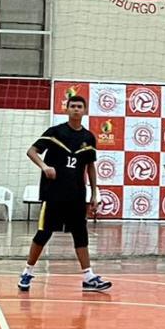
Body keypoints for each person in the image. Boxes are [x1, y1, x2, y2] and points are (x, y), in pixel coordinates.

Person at [18, 94, 111, 293]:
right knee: (44, 233)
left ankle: (88, 276)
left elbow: (90, 167)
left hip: (77, 194)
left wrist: (95, 193)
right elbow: (31, 151)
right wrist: (44, 166)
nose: (76, 109)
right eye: (72, 106)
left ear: (85, 111)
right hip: (53, 194)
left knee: (80, 233)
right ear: (66, 109)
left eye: (79, 106)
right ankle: (27, 272)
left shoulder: (88, 137)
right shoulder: (55, 132)